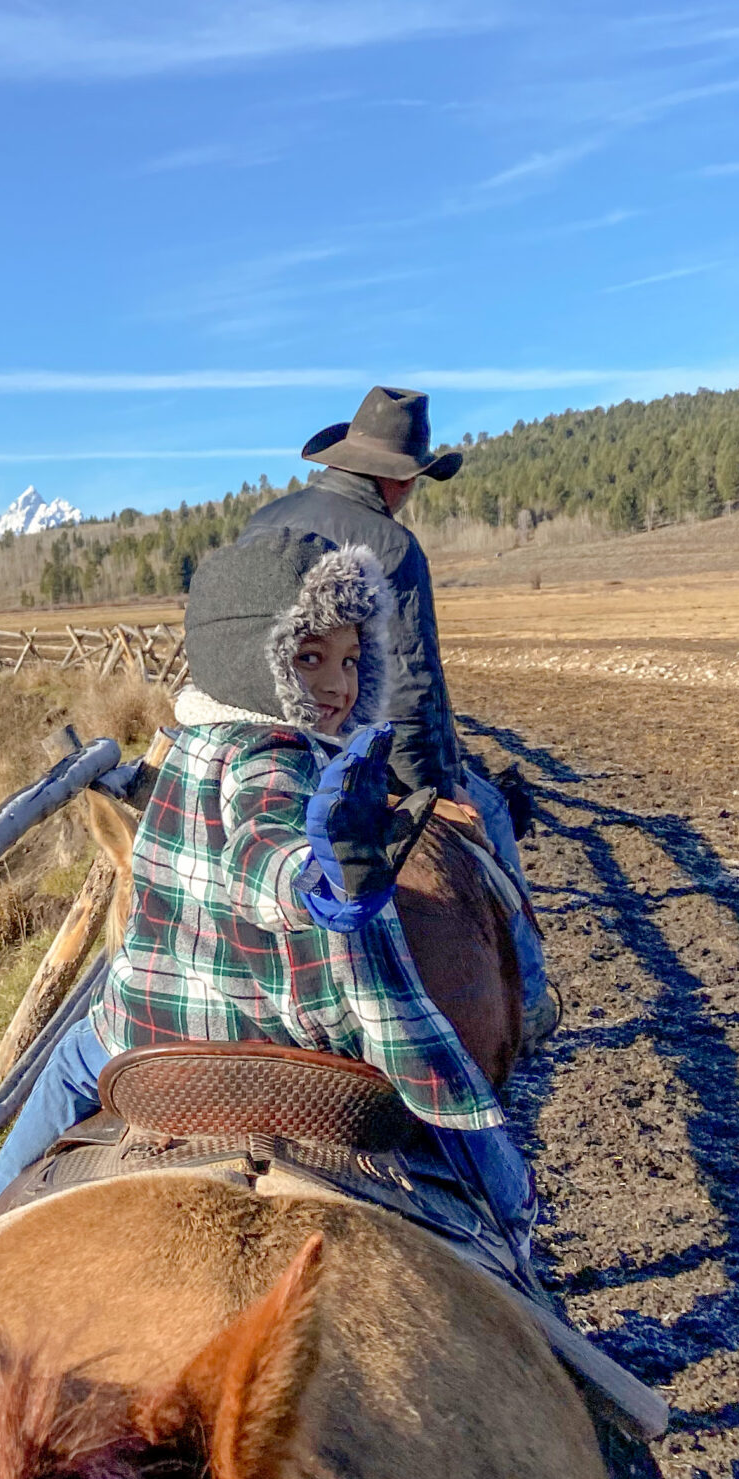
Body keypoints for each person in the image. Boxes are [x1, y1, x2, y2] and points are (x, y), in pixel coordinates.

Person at [0, 527, 536, 1251]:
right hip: (291, 1026)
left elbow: (245, 850)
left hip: (154, 1025)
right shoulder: (278, 759)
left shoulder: (190, 748)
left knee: (79, 1054)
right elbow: (266, 850)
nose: (338, 684)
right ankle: (511, 1221)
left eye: (351, 659)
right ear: (252, 658)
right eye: (309, 657)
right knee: (447, 1097)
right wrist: (323, 880)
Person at [242, 385, 551, 1031]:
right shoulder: (389, 546)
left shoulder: (262, 522)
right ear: (401, 479)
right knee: (491, 816)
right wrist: (435, 788)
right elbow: (410, 685)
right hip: (357, 746)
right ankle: (532, 998)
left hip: (265, 742)